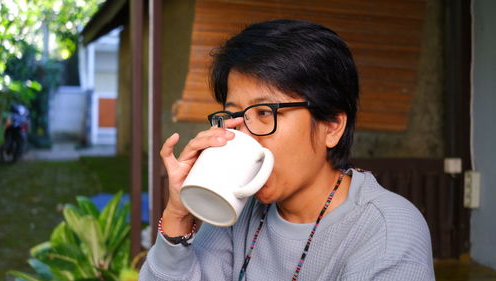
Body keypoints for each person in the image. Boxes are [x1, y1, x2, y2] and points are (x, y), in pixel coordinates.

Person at [140, 19, 435, 281]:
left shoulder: (385, 228)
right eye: (233, 116)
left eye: (265, 112)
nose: (245, 135)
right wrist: (179, 214)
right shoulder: (238, 211)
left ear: (332, 125)